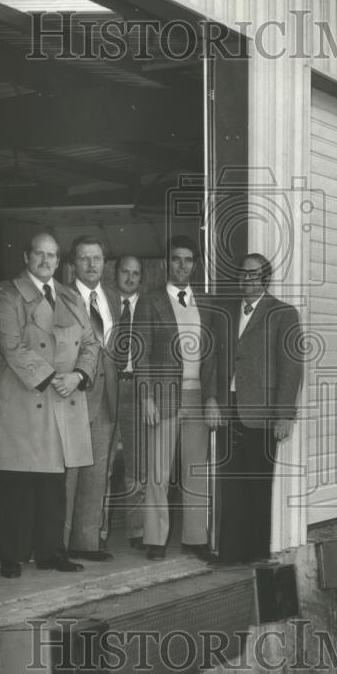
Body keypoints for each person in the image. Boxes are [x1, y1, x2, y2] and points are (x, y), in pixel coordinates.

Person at [0, 232, 100, 577]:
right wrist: (52, 379)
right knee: (18, 486)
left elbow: (92, 343)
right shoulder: (7, 294)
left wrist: (78, 375)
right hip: (27, 398)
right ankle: (11, 556)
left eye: (52, 256)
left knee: (53, 488)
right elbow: (12, 346)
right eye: (40, 254)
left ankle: (51, 552)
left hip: (63, 399)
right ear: (26, 256)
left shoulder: (69, 296)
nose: (46, 261)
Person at [132, 235, 220, 561]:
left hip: (197, 396)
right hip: (164, 394)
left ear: (194, 265)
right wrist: (146, 399)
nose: (182, 266)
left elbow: (212, 357)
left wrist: (212, 399)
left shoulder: (206, 303)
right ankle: (155, 538)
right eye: (176, 259)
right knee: (158, 470)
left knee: (196, 469)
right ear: (166, 263)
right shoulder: (150, 301)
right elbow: (140, 355)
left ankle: (195, 539)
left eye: (188, 260)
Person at [211, 253, 303, 564]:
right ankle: (230, 553)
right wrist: (212, 398)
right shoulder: (226, 312)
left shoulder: (283, 313)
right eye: (243, 274)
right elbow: (213, 360)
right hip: (229, 409)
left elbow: (292, 367)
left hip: (262, 414)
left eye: (254, 275)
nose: (247, 280)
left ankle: (254, 554)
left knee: (258, 484)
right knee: (231, 483)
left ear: (265, 278)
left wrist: (284, 415)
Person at [63, 235, 119, 561]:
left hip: (107, 397)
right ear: (73, 263)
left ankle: (87, 544)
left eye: (96, 258)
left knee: (98, 474)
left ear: (104, 263)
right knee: (68, 475)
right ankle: (60, 544)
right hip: (73, 396)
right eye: (84, 258)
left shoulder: (111, 298)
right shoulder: (61, 297)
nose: (91, 264)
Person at [110, 254, 146, 549]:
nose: (130, 277)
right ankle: (95, 534)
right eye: (125, 271)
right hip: (108, 389)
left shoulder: (148, 308)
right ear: (116, 273)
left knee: (137, 464)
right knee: (102, 464)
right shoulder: (103, 304)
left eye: (136, 273)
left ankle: (137, 532)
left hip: (137, 389)